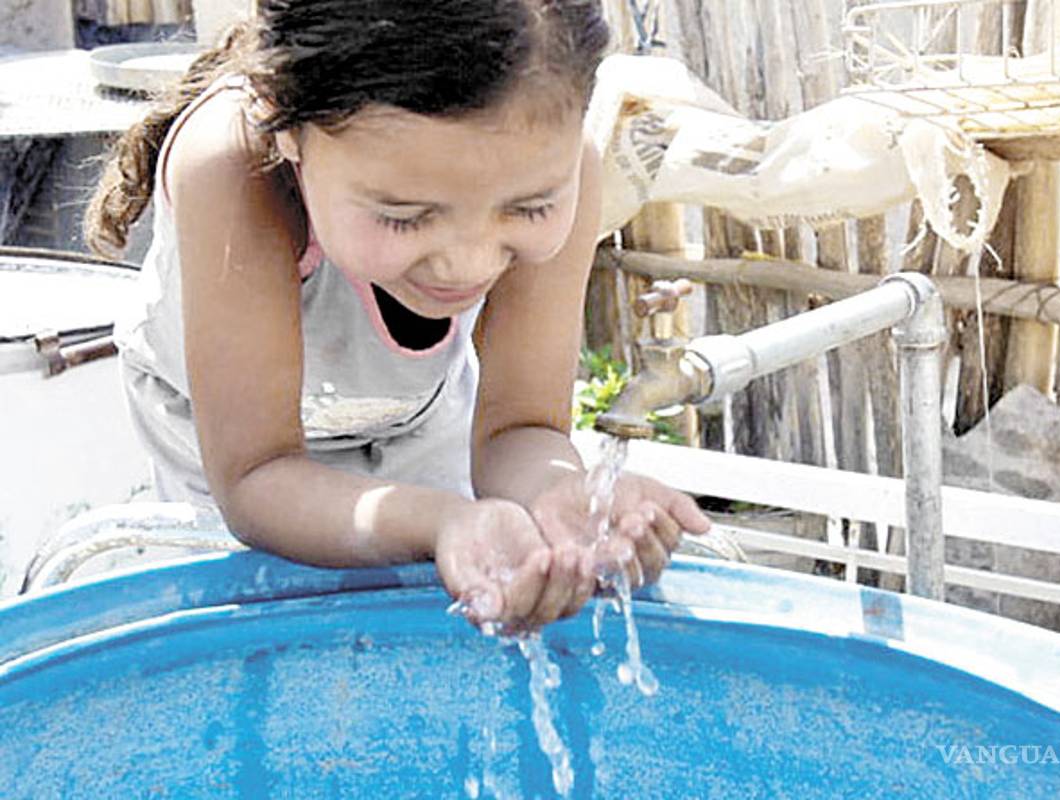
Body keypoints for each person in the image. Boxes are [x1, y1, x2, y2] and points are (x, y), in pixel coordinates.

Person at [85, 0, 710, 632]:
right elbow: (257, 478)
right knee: (263, 633)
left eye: (526, 211)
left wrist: (558, 495)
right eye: (404, 217)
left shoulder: (557, 166)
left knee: (450, 599)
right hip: (221, 447)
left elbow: (520, 427)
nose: (467, 264)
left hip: (413, 416)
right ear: (287, 128)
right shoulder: (232, 165)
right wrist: (437, 520)